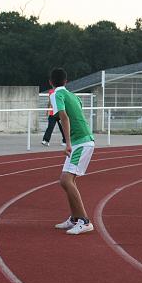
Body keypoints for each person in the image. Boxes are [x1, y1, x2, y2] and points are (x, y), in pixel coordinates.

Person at [50, 68, 95, 235]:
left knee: (66, 180)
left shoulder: (56, 95)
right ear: (66, 81)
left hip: (80, 142)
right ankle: (75, 218)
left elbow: (64, 117)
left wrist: (67, 143)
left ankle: (85, 221)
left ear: (50, 83)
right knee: (66, 180)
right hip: (82, 140)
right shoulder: (73, 96)